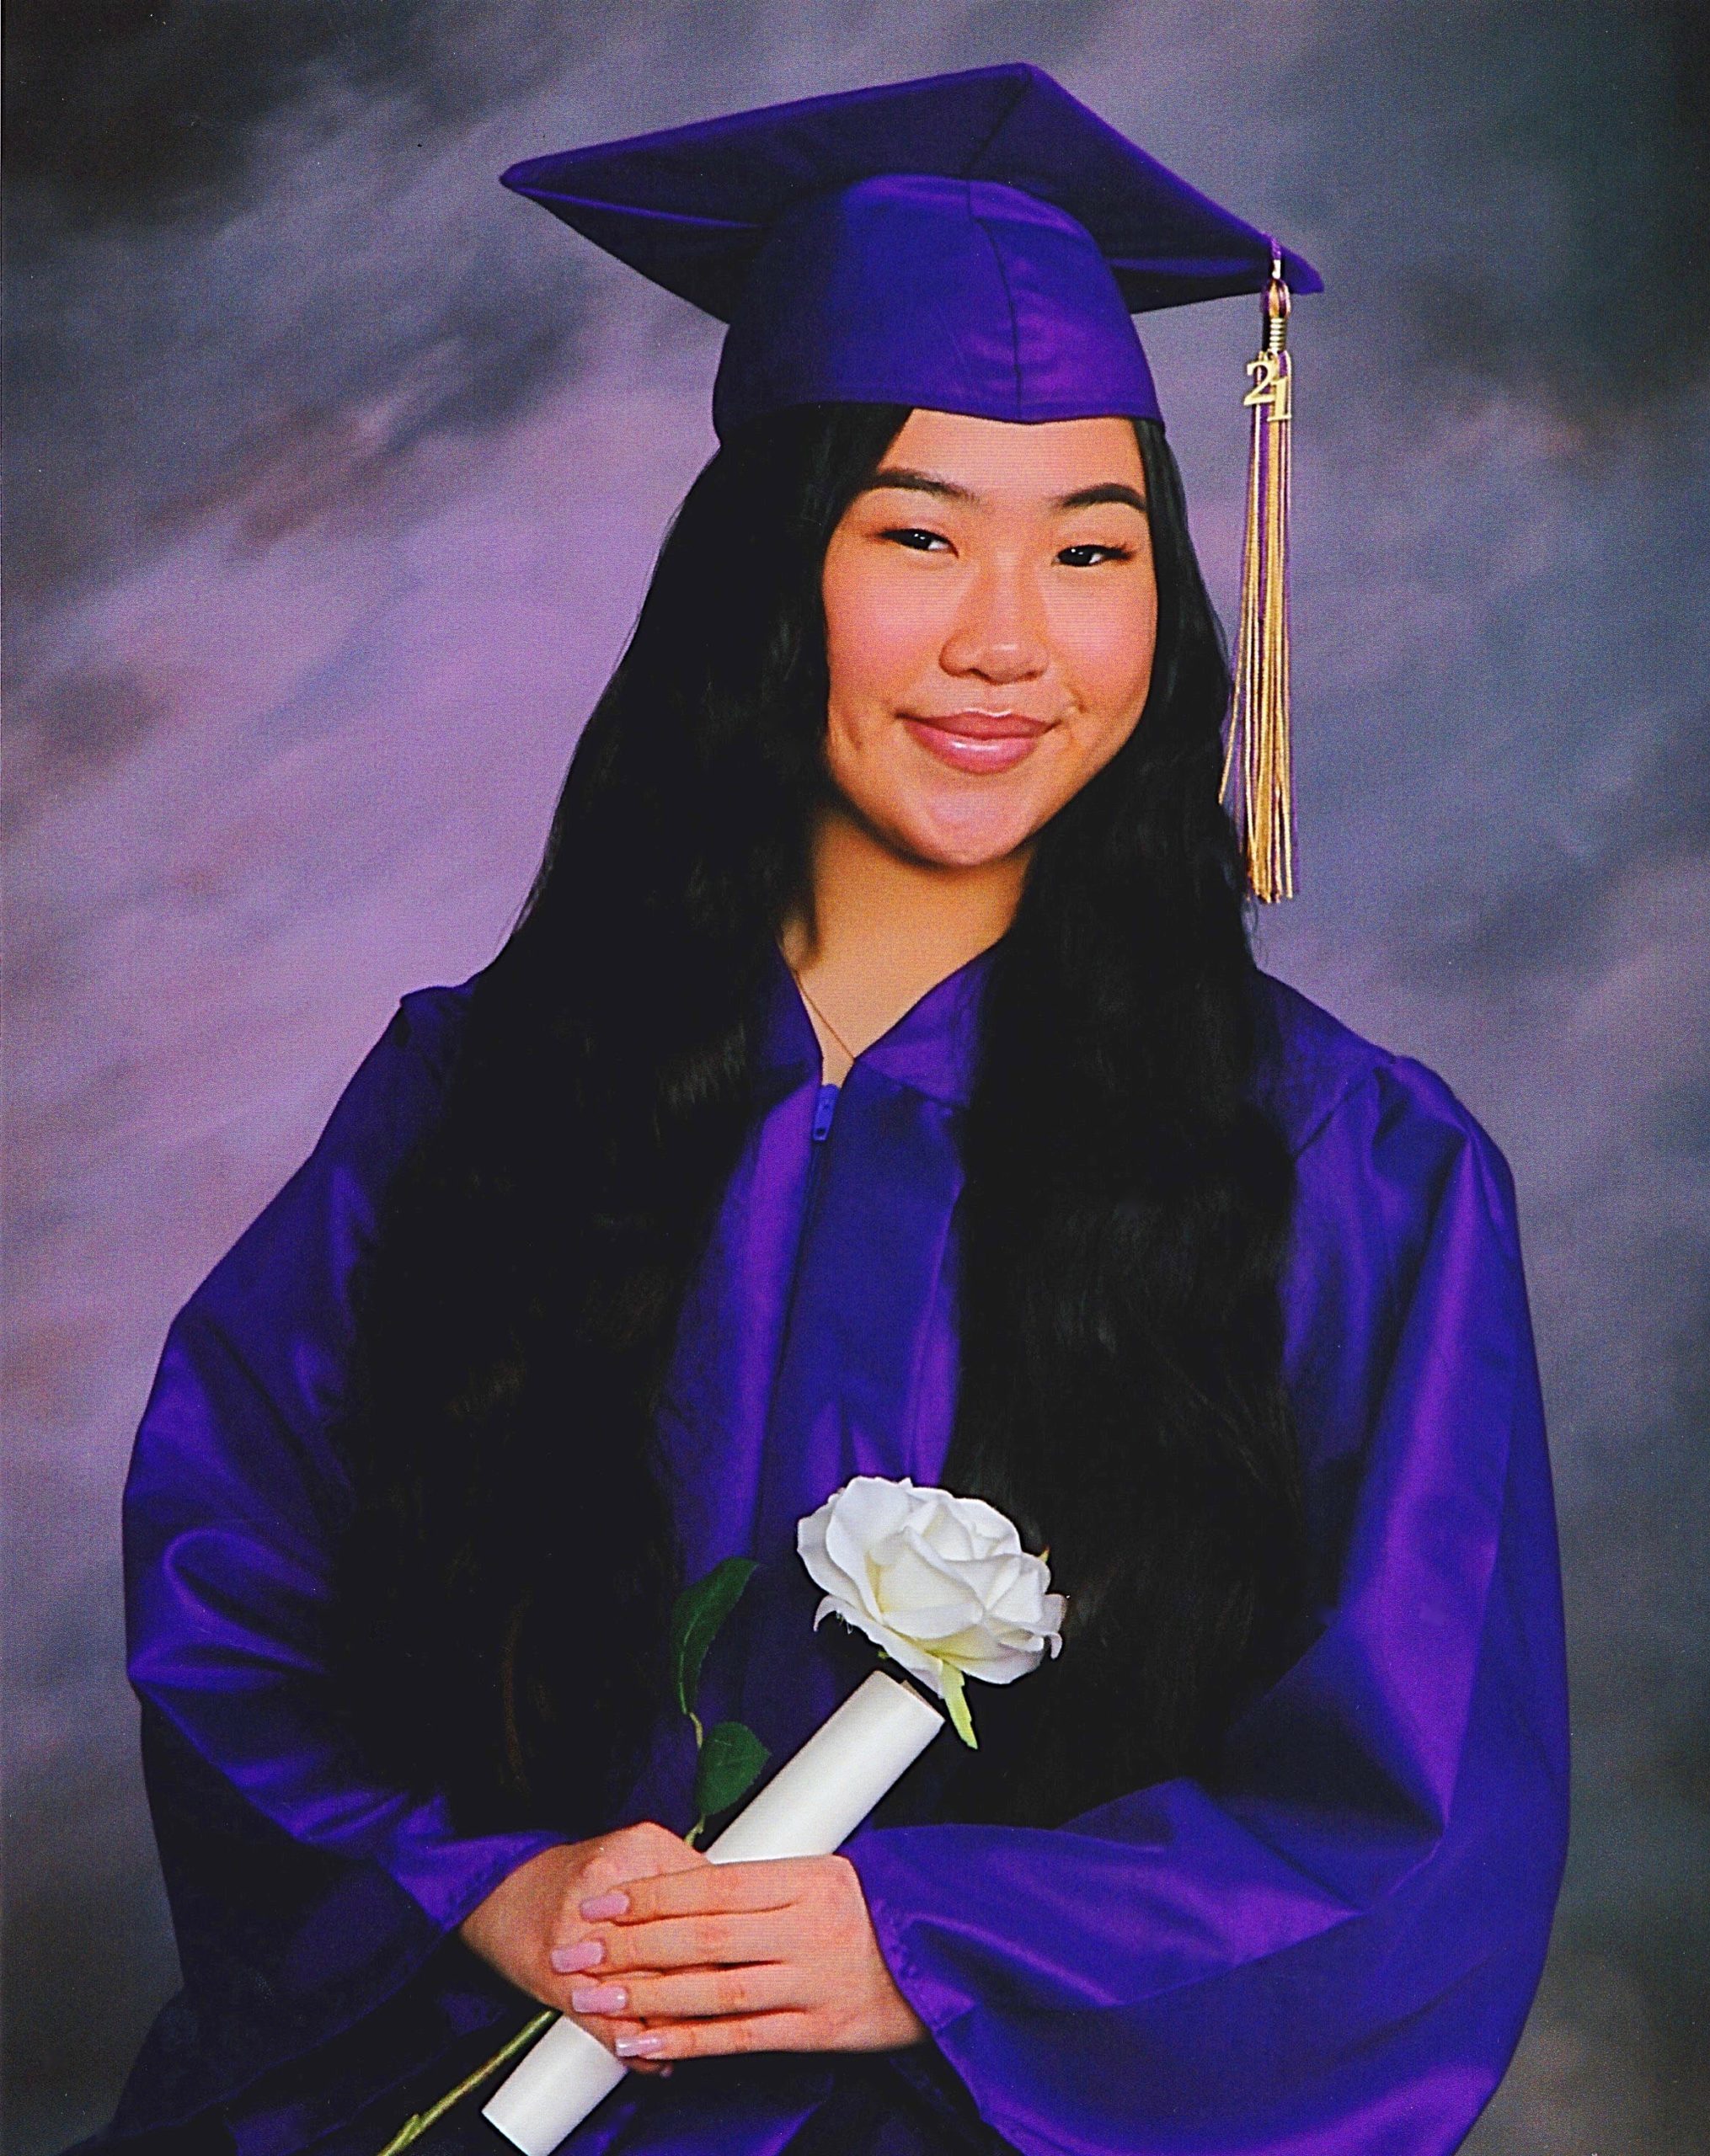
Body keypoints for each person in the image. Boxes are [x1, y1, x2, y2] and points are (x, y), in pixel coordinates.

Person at [88, 62, 1568, 2156]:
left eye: (1093, 546)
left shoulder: (1348, 1172)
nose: (1008, 640)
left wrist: (936, 1947)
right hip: (470, 2089)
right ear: (768, 575)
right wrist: (479, 1884)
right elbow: (235, 1580)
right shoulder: (480, 1093)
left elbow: (1418, 1814)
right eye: (916, 532)